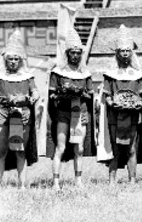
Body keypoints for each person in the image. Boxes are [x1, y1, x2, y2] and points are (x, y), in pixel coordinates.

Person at [0, 30, 39, 191]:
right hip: (2, 113)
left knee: (20, 150)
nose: (13, 62)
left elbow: (35, 91)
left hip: (22, 114)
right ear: (5, 60)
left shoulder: (27, 76)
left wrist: (32, 98)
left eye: (16, 59)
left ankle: (22, 184)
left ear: (20, 60)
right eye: (10, 59)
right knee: (2, 150)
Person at [47, 28, 95, 190]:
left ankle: (78, 181)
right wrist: (62, 94)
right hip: (63, 113)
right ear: (67, 54)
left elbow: (90, 96)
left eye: (78, 53)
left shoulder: (85, 74)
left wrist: (80, 93)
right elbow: (52, 95)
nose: (75, 55)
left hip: (79, 112)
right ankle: (55, 182)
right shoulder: (58, 73)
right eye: (72, 52)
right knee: (60, 147)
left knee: (79, 148)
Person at [100, 25, 142, 184]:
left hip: (133, 116)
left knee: (131, 148)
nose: (125, 53)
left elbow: (141, 97)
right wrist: (113, 103)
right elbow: (106, 96)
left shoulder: (139, 75)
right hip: (115, 116)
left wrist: (138, 103)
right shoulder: (110, 75)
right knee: (116, 148)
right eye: (122, 51)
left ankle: (132, 179)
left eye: (128, 50)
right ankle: (112, 180)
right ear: (117, 53)